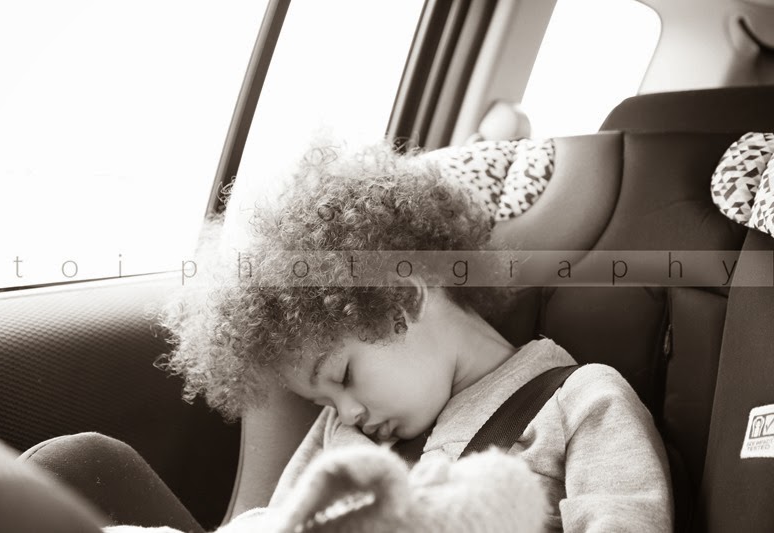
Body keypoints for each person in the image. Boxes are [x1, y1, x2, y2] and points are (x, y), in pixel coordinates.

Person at [151, 140, 673, 532]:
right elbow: (285, 521)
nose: (346, 412)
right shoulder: (343, 433)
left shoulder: (581, 402)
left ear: (405, 299)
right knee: (103, 462)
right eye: (322, 401)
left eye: (344, 376)